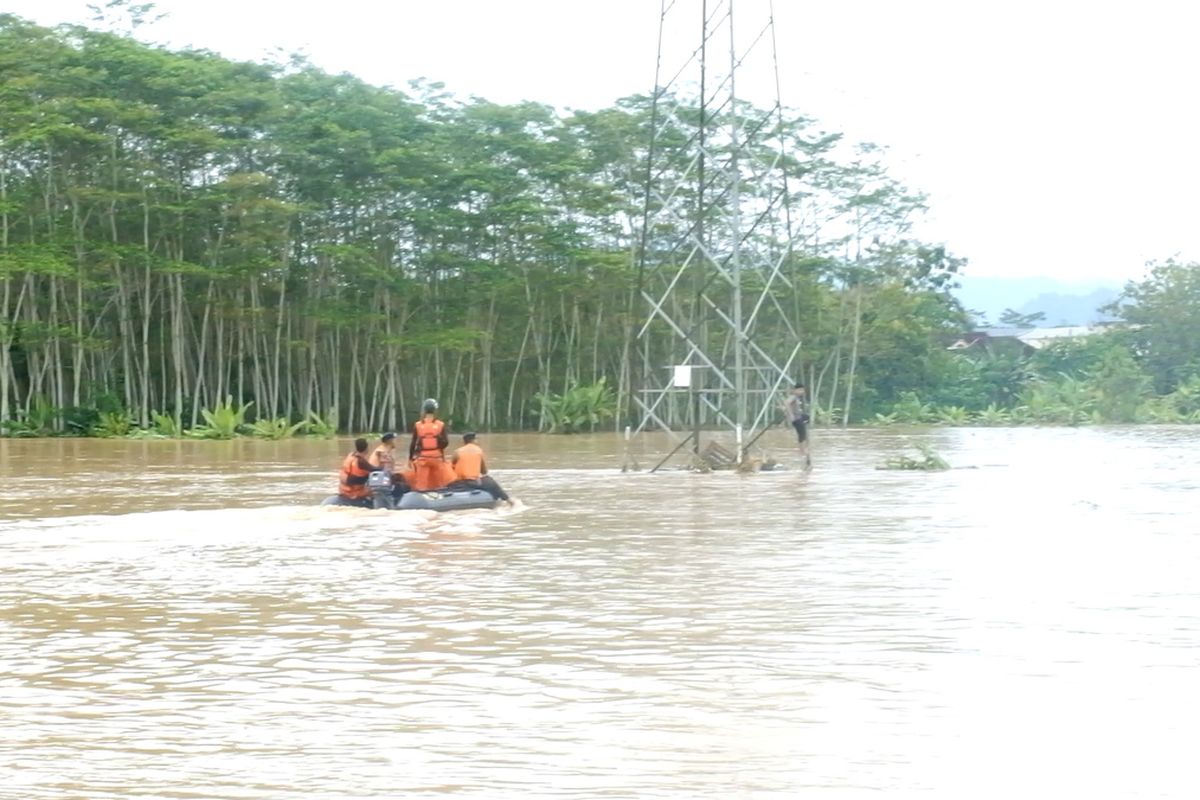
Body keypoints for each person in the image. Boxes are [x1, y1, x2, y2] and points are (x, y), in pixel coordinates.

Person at [448, 432, 511, 502]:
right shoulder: (479, 451)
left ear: (463, 441)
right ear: (474, 440)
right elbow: (484, 471)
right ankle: (509, 501)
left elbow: (450, 468)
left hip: (458, 483)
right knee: (490, 481)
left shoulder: (457, 451)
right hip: (472, 482)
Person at [408, 398, 450, 492]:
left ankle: (421, 496)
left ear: (424, 410)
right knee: (439, 484)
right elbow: (446, 442)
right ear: (435, 410)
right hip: (437, 458)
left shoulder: (418, 425)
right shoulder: (440, 425)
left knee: (421, 484)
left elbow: (413, 443)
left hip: (423, 458)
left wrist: (410, 458)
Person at [369, 431, 410, 500]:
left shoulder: (383, 450)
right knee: (402, 484)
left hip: (378, 478)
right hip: (379, 479)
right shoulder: (382, 452)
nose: (397, 442)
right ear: (389, 441)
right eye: (395, 440)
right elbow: (386, 470)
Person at [337, 437, 375, 507]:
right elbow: (374, 469)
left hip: (343, 490)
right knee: (376, 491)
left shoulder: (351, 455)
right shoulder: (361, 462)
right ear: (367, 449)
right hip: (355, 493)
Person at [783, 383, 812, 469]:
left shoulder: (797, 398)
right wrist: (791, 414)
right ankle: (806, 462)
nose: (802, 392)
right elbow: (786, 403)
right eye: (800, 390)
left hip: (800, 420)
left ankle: (807, 461)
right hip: (797, 421)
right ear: (795, 390)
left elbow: (787, 406)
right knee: (802, 443)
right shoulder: (793, 397)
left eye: (802, 390)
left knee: (805, 440)